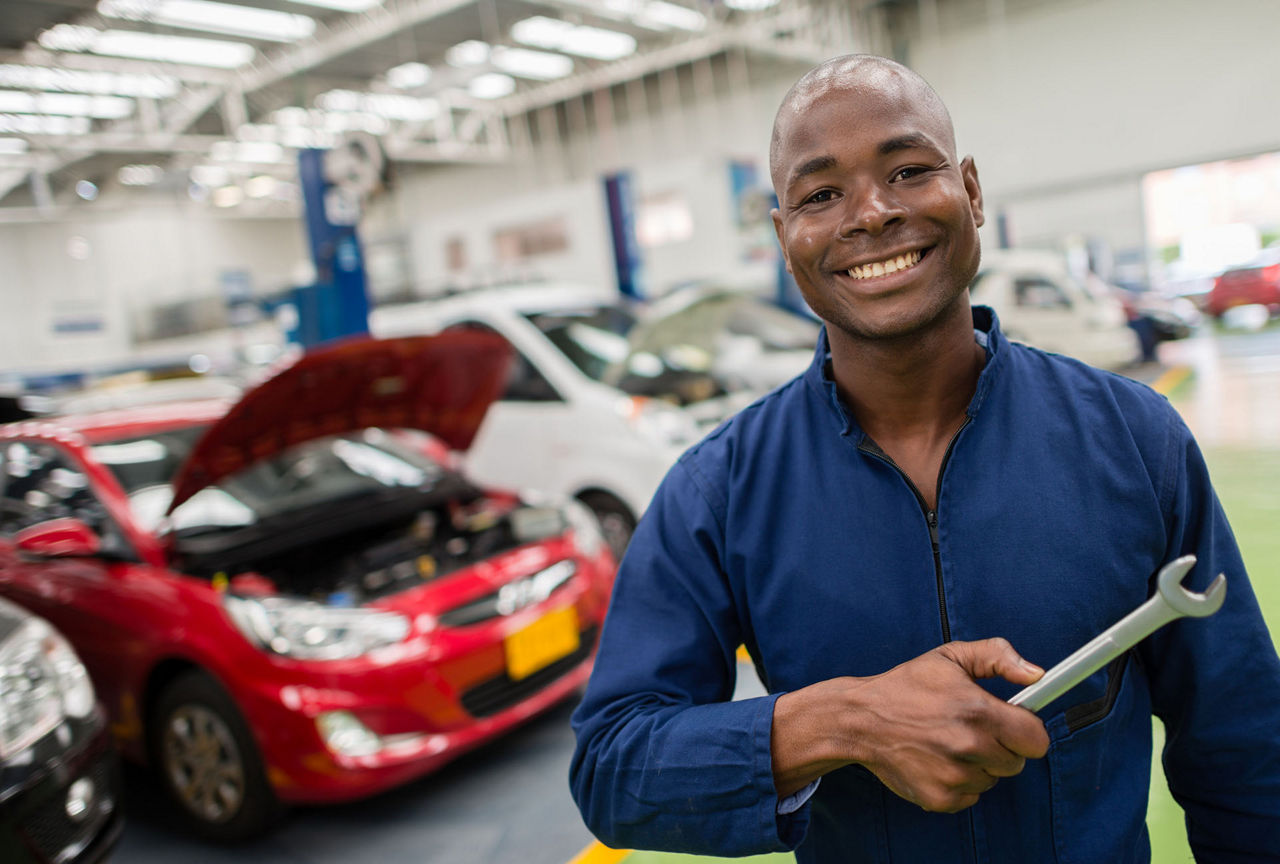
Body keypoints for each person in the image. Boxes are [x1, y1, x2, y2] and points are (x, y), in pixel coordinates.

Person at [568, 54, 1280, 862]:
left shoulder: (1134, 439)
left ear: (971, 191)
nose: (870, 213)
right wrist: (842, 721)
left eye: (908, 170)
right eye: (821, 194)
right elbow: (612, 768)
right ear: (783, 236)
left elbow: (1245, 751)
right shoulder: (717, 492)